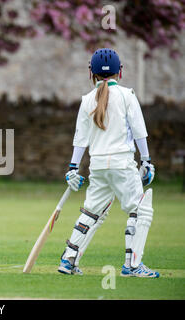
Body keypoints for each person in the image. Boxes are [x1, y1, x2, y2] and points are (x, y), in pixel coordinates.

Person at [58, 48, 159, 278]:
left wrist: (72, 168)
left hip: (99, 166)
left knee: (92, 212)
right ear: (120, 72)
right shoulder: (127, 95)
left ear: (90, 73)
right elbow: (139, 132)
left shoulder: (86, 100)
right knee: (140, 210)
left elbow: (80, 139)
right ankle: (132, 266)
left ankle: (68, 260)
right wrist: (147, 161)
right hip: (122, 164)